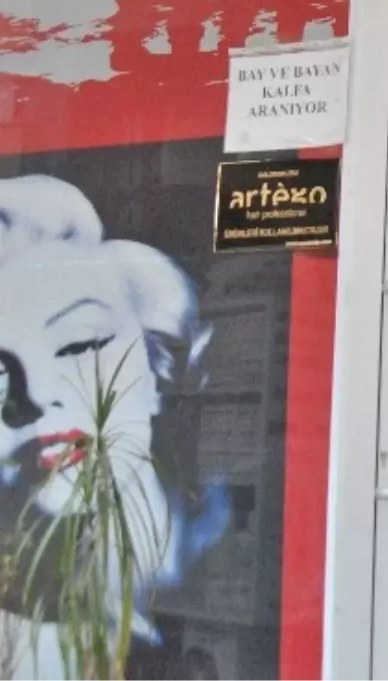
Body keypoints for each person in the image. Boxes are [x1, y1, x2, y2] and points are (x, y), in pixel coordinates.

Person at [0, 174, 228, 681]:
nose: (33, 397)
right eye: (1, 370)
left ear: (159, 362)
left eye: (79, 345)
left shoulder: (209, 548)